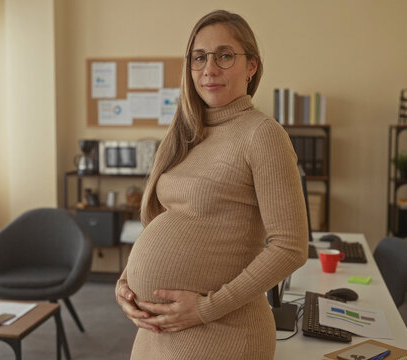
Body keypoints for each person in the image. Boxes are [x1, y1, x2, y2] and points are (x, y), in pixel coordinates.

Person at [115, 10, 308, 359]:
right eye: (199, 58)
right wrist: (126, 282)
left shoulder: (262, 134)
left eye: (224, 56)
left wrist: (205, 308)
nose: (209, 69)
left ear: (251, 66)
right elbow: (163, 220)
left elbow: (290, 248)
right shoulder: (186, 134)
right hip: (157, 332)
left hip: (220, 332)